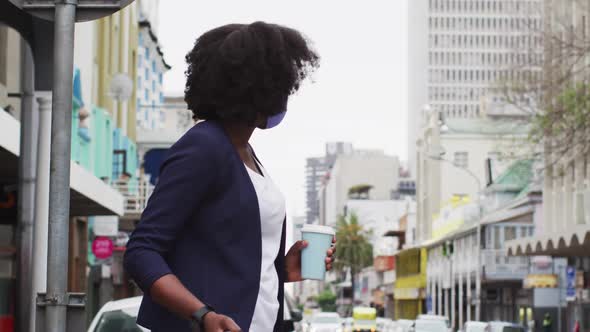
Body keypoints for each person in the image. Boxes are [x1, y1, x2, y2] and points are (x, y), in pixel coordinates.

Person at [124, 22, 328, 332]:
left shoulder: (247, 153)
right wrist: (202, 314)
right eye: (281, 84)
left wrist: (282, 270)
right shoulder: (204, 146)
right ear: (258, 89)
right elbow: (142, 252)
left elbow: (227, 258)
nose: (286, 94)